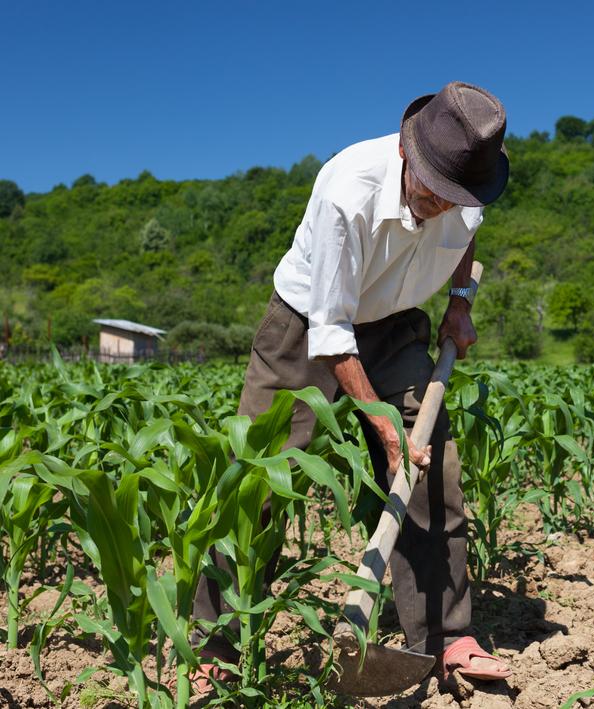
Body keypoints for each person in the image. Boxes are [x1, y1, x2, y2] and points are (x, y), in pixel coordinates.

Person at [190, 81, 512, 693]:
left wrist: (461, 302)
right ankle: (215, 641)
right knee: (259, 475)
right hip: (309, 322)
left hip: (396, 325)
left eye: (456, 196)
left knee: (431, 469)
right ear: (407, 154)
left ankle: (445, 637)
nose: (443, 205)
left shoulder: (470, 189)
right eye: (433, 191)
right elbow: (332, 332)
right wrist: (381, 426)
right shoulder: (347, 190)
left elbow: (467, 241)